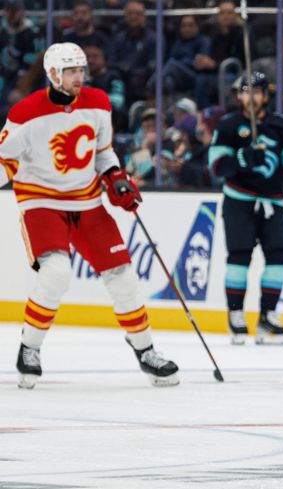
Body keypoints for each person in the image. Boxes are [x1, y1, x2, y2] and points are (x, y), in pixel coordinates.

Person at [0, 42, 179, 389]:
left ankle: (145, 350)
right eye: (70, 71)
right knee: (56, 273)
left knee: (123, 276)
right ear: (53, 74)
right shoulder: (26, 113)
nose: (78, 77)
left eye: (81, 70)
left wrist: (114, 177)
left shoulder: (98, 102)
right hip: (42, 202)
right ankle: (30, 348)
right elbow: (4, 159)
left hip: (87, 202)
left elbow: (102, 151)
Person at [208, 72, 283, 345]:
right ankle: (236, 315)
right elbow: (216, 166)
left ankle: (268, 316)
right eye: (246, 92)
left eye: (257, 92)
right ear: (239, 95)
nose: (251, 98)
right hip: (239, 201)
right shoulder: (229, 124)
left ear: (266, 96)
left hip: (272, 201)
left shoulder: (281, 126)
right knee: (240, 256)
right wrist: (242, 159)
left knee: (279, 255)